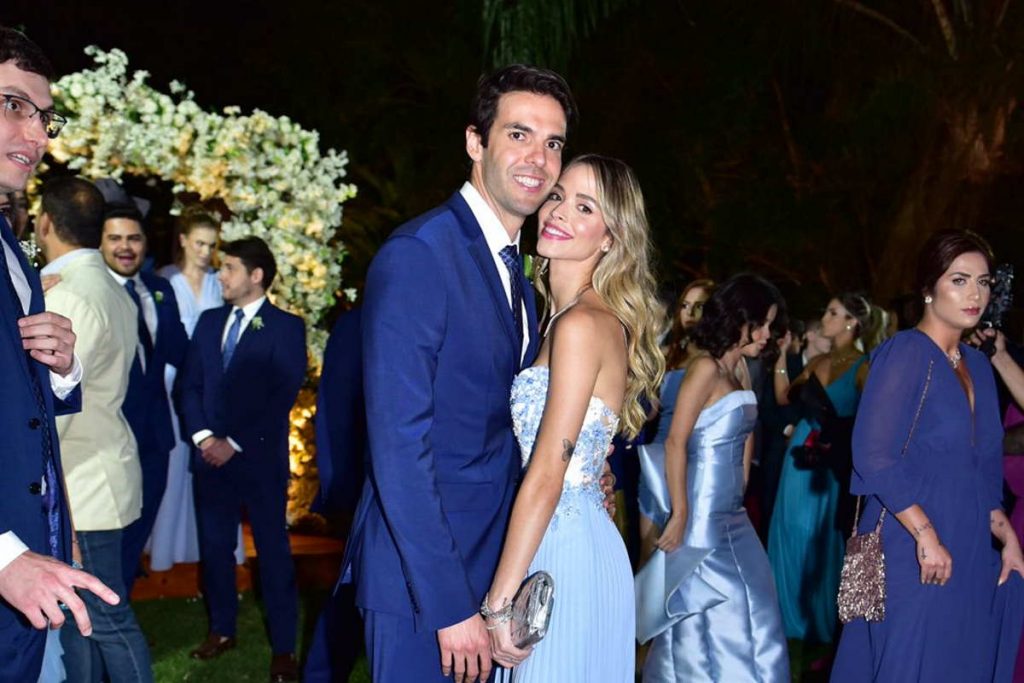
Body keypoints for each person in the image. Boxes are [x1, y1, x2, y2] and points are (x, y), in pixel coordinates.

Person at [346, 64, 574, 683]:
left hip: (490, 568)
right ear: (476, 142)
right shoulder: (420, 254)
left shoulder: (518, 272)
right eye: (519, 134)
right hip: (422, 584)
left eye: (553, 142)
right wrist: (449, 604)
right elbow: (399, 445)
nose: (539, 158)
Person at [482, 155, 662, 681]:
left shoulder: (582, 324)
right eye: (558, 196)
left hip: (563, 552)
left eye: (585, 207)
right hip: (565, 538)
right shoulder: (558, 317)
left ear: (611, 237)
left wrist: (498, 604)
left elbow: (547, 474)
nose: (559, 211)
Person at [831, 230, 1024, 681]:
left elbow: (982, 465)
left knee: (956, 662)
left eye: (983, 282)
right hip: (912, 541)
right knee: (910, 660)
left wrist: (1007, 536)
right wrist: (926, 535)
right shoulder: (907, 352)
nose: (975, 294)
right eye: (959, 280)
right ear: (927, 289)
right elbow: (873, 455)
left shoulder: (978, 364)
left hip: (968, 541)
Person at [0, 26, 119, 682]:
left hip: (32, 557)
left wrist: (63, 369)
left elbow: (20, 409)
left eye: (44, 117)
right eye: (13, 105)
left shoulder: (11, 245)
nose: (38, 135)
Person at [637, 273, 790, 682]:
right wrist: (680, 513)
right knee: (712, 612)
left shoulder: (738, 367)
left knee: (756, 604)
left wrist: (740, 487)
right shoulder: (704, 367)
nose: (767, 334)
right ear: (739, 318)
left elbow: (747, 433)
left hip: (732, 515)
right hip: (700, 516)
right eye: (761, 324)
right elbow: (675, 441)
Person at [37, 176, 153, 682]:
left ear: (45, 223)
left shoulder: (70, 296)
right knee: (76, 619)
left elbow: (54, 406)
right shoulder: (108, 285)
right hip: (100, 468)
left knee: (105, 617)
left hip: (81, 481)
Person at [180, 236, 306, 682]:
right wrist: (203, 438)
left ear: (256, 275)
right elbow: (190, 385)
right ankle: (221, 631)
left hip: (258, 462)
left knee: (273, 554)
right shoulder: (209, 322)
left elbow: (282, 395)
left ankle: (284, 649)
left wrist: (232, 441)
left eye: (229, 268)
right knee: (215, 549)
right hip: (209, 461)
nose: (221, 276)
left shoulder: (286, 327)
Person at [767, 292, 877, 644]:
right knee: (789, 526)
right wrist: (781, 357)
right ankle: (786, 615)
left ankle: (819, 620)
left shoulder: (865, 367)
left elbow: (871, 420)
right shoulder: (817, 362)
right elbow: (785, 397)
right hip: (800, 451)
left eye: (832, 313)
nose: (825, 318)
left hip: (831, 460)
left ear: (851, 322)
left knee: (820, 534)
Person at [97, 194, 189, 593]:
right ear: (99, 244)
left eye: (133, 238)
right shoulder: (90, 291)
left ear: (145, 243)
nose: (125, 247)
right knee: (106, 538)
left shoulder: (159, 289)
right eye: (115, 238)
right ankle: (105, 615)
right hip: (107, 438)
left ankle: (119, 605)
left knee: (138, 532)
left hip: (155, 439)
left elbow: (182, 353)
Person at [149, 208, 238, 571]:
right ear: (184, 240)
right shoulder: (166, 281)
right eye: (199, 243)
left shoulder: (220, 282)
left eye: (211, 245)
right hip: (174, 380)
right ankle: (167, 548)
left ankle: (208, 549)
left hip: (212, 384)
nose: (205, 252)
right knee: (175, 463)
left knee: (209, 460)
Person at [637, 280, 714, 560]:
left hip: (699, 463)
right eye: (685, 305)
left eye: (699, 306)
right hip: (659, 460)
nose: (689, 313)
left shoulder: (721, 362)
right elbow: (650, 410)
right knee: (650, 555)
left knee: (690, 558)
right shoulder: (666, 355)